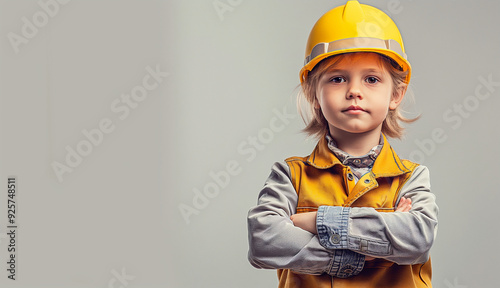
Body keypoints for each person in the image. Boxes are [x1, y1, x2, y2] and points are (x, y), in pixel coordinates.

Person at [246, 1, 439, 287]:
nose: (354, 91)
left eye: (372, 79)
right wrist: (369, 249)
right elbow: (263, 241)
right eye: (337, 79)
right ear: (314, 95)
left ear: (396, 95)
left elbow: (417, 238)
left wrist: (316, 222)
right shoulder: (289, 176)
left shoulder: (410, 178)